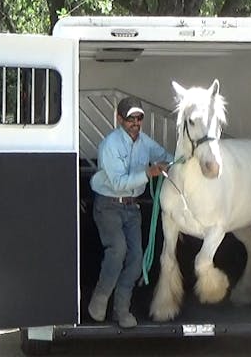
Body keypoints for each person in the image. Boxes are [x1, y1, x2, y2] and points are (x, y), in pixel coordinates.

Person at [88, 96, 173, 328]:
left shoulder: (146, 143)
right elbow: (116, 182)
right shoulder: (109, 145)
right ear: (119, 119)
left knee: (136, 260)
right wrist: (149, 173)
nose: (135, 122)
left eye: (139, 118)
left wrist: (185, 164)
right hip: (108, 205)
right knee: (118, 250)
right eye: (130, 118)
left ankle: (121, 309)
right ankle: (100, 298)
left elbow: (168, 158)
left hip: (132, 207)